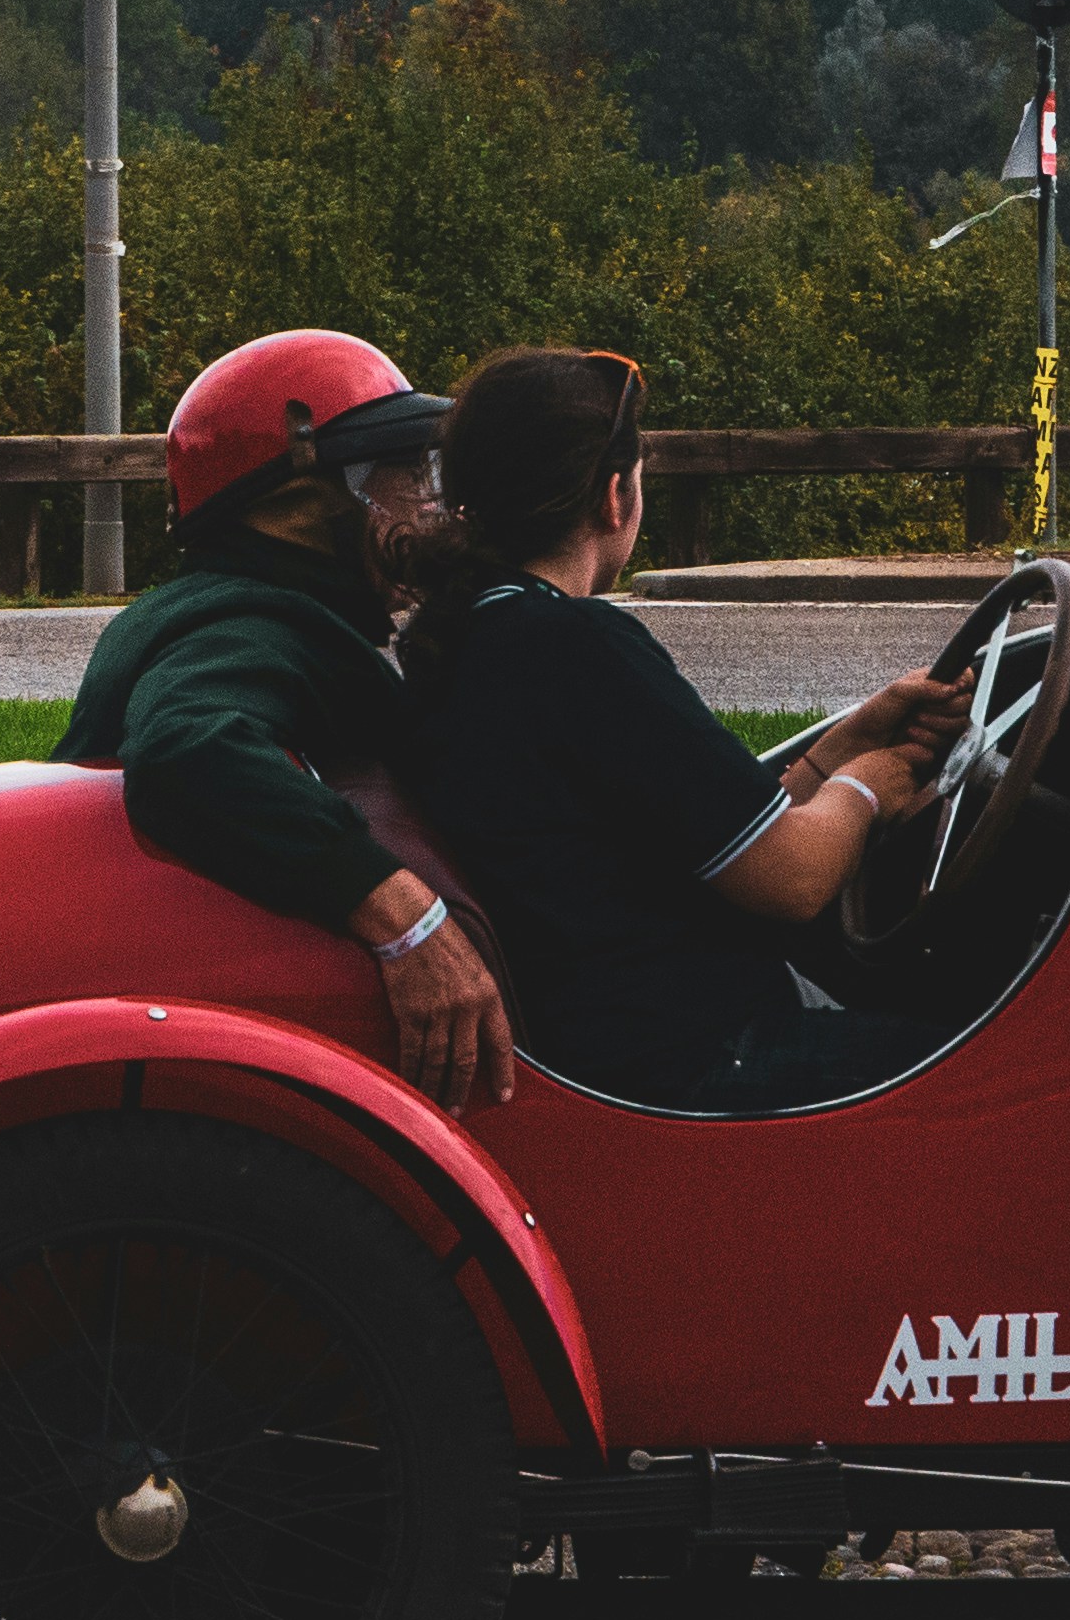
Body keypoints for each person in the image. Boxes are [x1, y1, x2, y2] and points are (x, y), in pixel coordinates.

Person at [396, 347, 973, 1113]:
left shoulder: (472, 638)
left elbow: (722, 830)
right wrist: (869, 787)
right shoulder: (578, 648)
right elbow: (793, 879)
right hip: (696, 1057)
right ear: (614, 497)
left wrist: (847, 742)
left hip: (618, 1039)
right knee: (996, 1068)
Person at [51, 328, 512, 1107]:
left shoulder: (235, 607)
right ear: (298, 502)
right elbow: (187, 746)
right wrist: (407, 920)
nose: (428, 499)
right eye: (402, 469)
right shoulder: (255, 622)